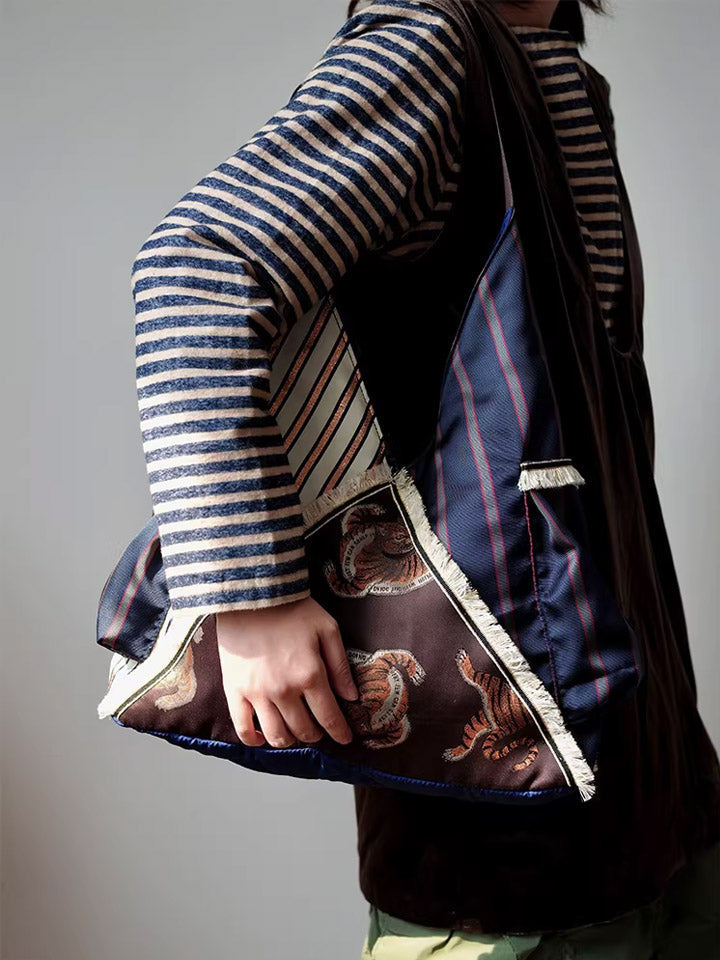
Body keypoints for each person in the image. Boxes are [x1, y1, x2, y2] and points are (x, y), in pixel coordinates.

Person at [129, 0, 720, 955]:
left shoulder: (551, 67)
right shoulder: (426, 50)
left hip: (656, 798)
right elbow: (196, 268)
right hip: (507, 865)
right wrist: (248, 595)